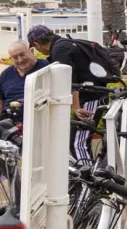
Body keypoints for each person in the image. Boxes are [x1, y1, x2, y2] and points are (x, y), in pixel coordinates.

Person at [28, 24, 105, 162]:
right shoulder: (66, 43)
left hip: (90, 97)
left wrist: (75, 107)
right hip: (96, 93)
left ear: (36, 44)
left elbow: (70, 79)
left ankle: (88, 181)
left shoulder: (59, 50)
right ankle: (90, 174)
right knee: (80, 140)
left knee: (78, 143)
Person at [0, 40, 47, 108]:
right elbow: (0, 101)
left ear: (31, 51)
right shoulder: (5, 74)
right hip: (8, 116)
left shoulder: (47, 68)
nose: (20, 60)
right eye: (15, 57)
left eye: (22, 54)